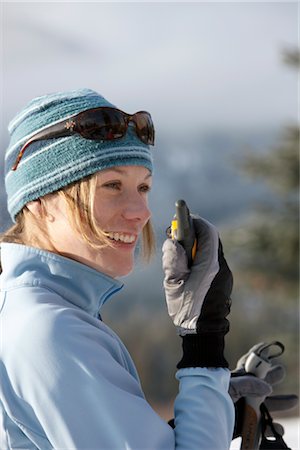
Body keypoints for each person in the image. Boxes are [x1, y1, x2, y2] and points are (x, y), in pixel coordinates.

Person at [0, 88, 283, 450]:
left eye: (144, 186)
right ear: (40, 203)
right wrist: (203, 346)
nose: (140, 211)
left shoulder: (32, 313)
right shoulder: (51, 331)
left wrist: (205, 411)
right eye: (112, 186)